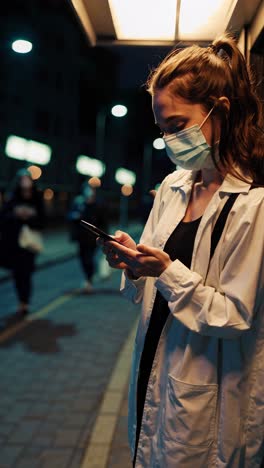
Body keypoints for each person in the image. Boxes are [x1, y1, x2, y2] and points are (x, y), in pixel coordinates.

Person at [98, 34, 264, 467]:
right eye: (162, 129)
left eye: (178, 126)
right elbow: (146, 288)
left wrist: (167, 271)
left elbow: (236, 315)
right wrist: (134, 264)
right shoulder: (174, 185)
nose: (170, 140)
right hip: (156, 359)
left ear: (221, 111)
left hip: (212, 383)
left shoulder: (253, 201)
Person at [0, 169, 45, 317]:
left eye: (28, 179)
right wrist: (16, 214)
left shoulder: (37, 198)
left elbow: (43, 221)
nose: (25, 182)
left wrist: (30, 216)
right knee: (17, 273)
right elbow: (3, 218)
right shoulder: (12, 197)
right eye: (23, 179)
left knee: (26, 273)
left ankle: (25, 302)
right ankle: (21, 301)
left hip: (30, 244)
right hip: (14, 243)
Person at [67, 183, 107, 292]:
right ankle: (88, 277)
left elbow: (103, 222)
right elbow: (70, 215)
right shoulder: (79, 203)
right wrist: (75, 216)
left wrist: (104, 236)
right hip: (81, 237)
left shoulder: (98, 204)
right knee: (82, 258)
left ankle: (89, 279)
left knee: (89, 258)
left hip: (93, 237)